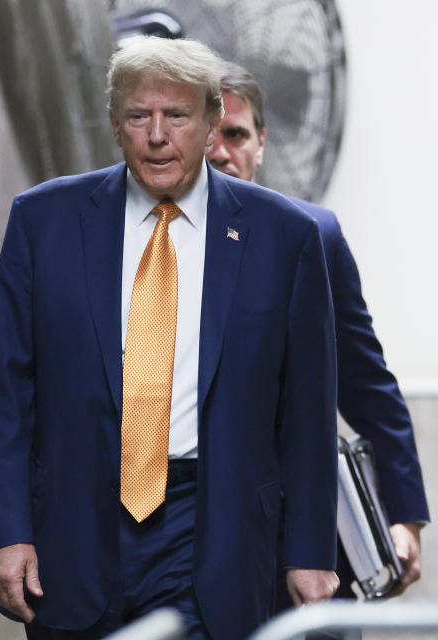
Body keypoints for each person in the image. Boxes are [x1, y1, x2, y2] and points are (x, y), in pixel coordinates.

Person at [0, 36, 341, 640]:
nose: (157, 135)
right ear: (115, 124)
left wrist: (310, 549)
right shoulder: (43, 222)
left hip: (214, 526)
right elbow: (6, 395)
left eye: (177, 116)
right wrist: (7, 532)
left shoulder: (285, 237)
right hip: (74, 526)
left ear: (212, 121)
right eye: (140, 116)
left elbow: (306, 412)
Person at [207, 62, 429, 599]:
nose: (220, 153)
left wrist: (404, 517)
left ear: (261, 142)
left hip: (297, 538)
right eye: (208, 137)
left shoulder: (310, 236)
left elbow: (367, 384)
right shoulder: (151, 242)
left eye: (235, 135)